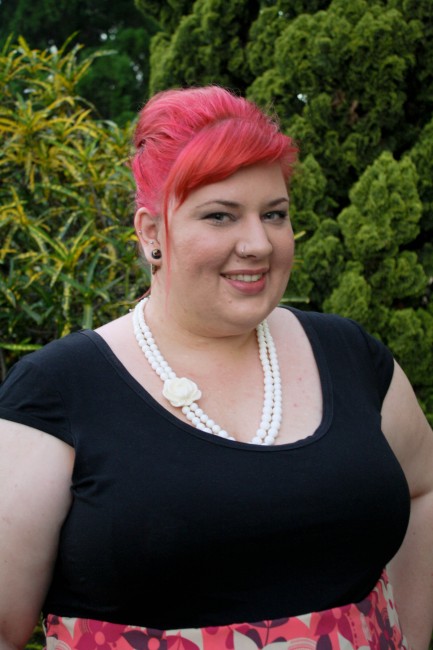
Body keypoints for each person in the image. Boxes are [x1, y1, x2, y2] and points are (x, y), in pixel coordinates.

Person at [0, 86, 432, 650]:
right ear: (152, 232)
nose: (258, 243)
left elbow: (423, 489)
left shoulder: (350, 354)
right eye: (221, 216)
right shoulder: (57, 391)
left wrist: (413, 636)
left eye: (274, 215)